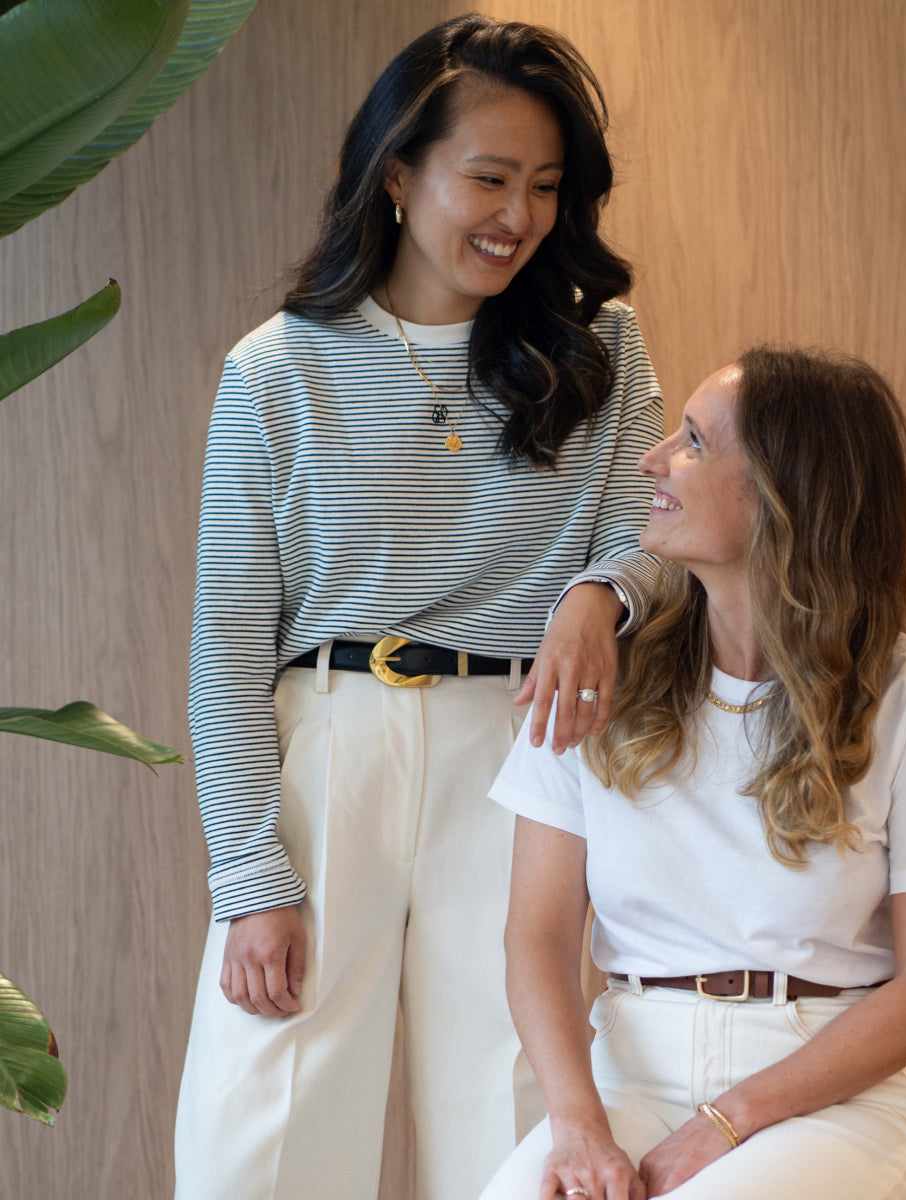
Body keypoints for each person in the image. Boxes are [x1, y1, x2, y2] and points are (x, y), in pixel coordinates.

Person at [174, 15, 662, 1200]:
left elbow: (654, 530)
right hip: (331, 742)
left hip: (524, 746)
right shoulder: (276, 371)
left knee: (515, 1104)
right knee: (267, 1122)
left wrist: (604, 594)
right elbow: (226, 651)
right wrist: (250, 877)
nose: (519, 215)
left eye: (546, 187)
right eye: (488, 178)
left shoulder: (600, 349)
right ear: (397, 172)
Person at [479, 346, 906, 1200]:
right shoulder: (597, 677)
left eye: (693, 441)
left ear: (782, 495)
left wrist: (729, 1120)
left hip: (836, 1098)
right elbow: (537, 937)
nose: (655, 460)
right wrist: (577, 1126)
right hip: (627, 1080)